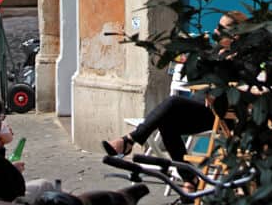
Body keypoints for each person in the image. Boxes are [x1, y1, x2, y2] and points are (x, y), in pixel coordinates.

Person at [102, 11, 247, 174]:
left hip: (220, 114)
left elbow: (237, 84)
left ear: (236, 33)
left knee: (173, 102)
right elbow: (195, 78)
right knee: (167, 123)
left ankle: (130, 139)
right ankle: (189, 179)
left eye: (222, 27)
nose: (216, 31)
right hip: (200, 109)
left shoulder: (242, 57)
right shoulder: (215, 52)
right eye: (217, 26)